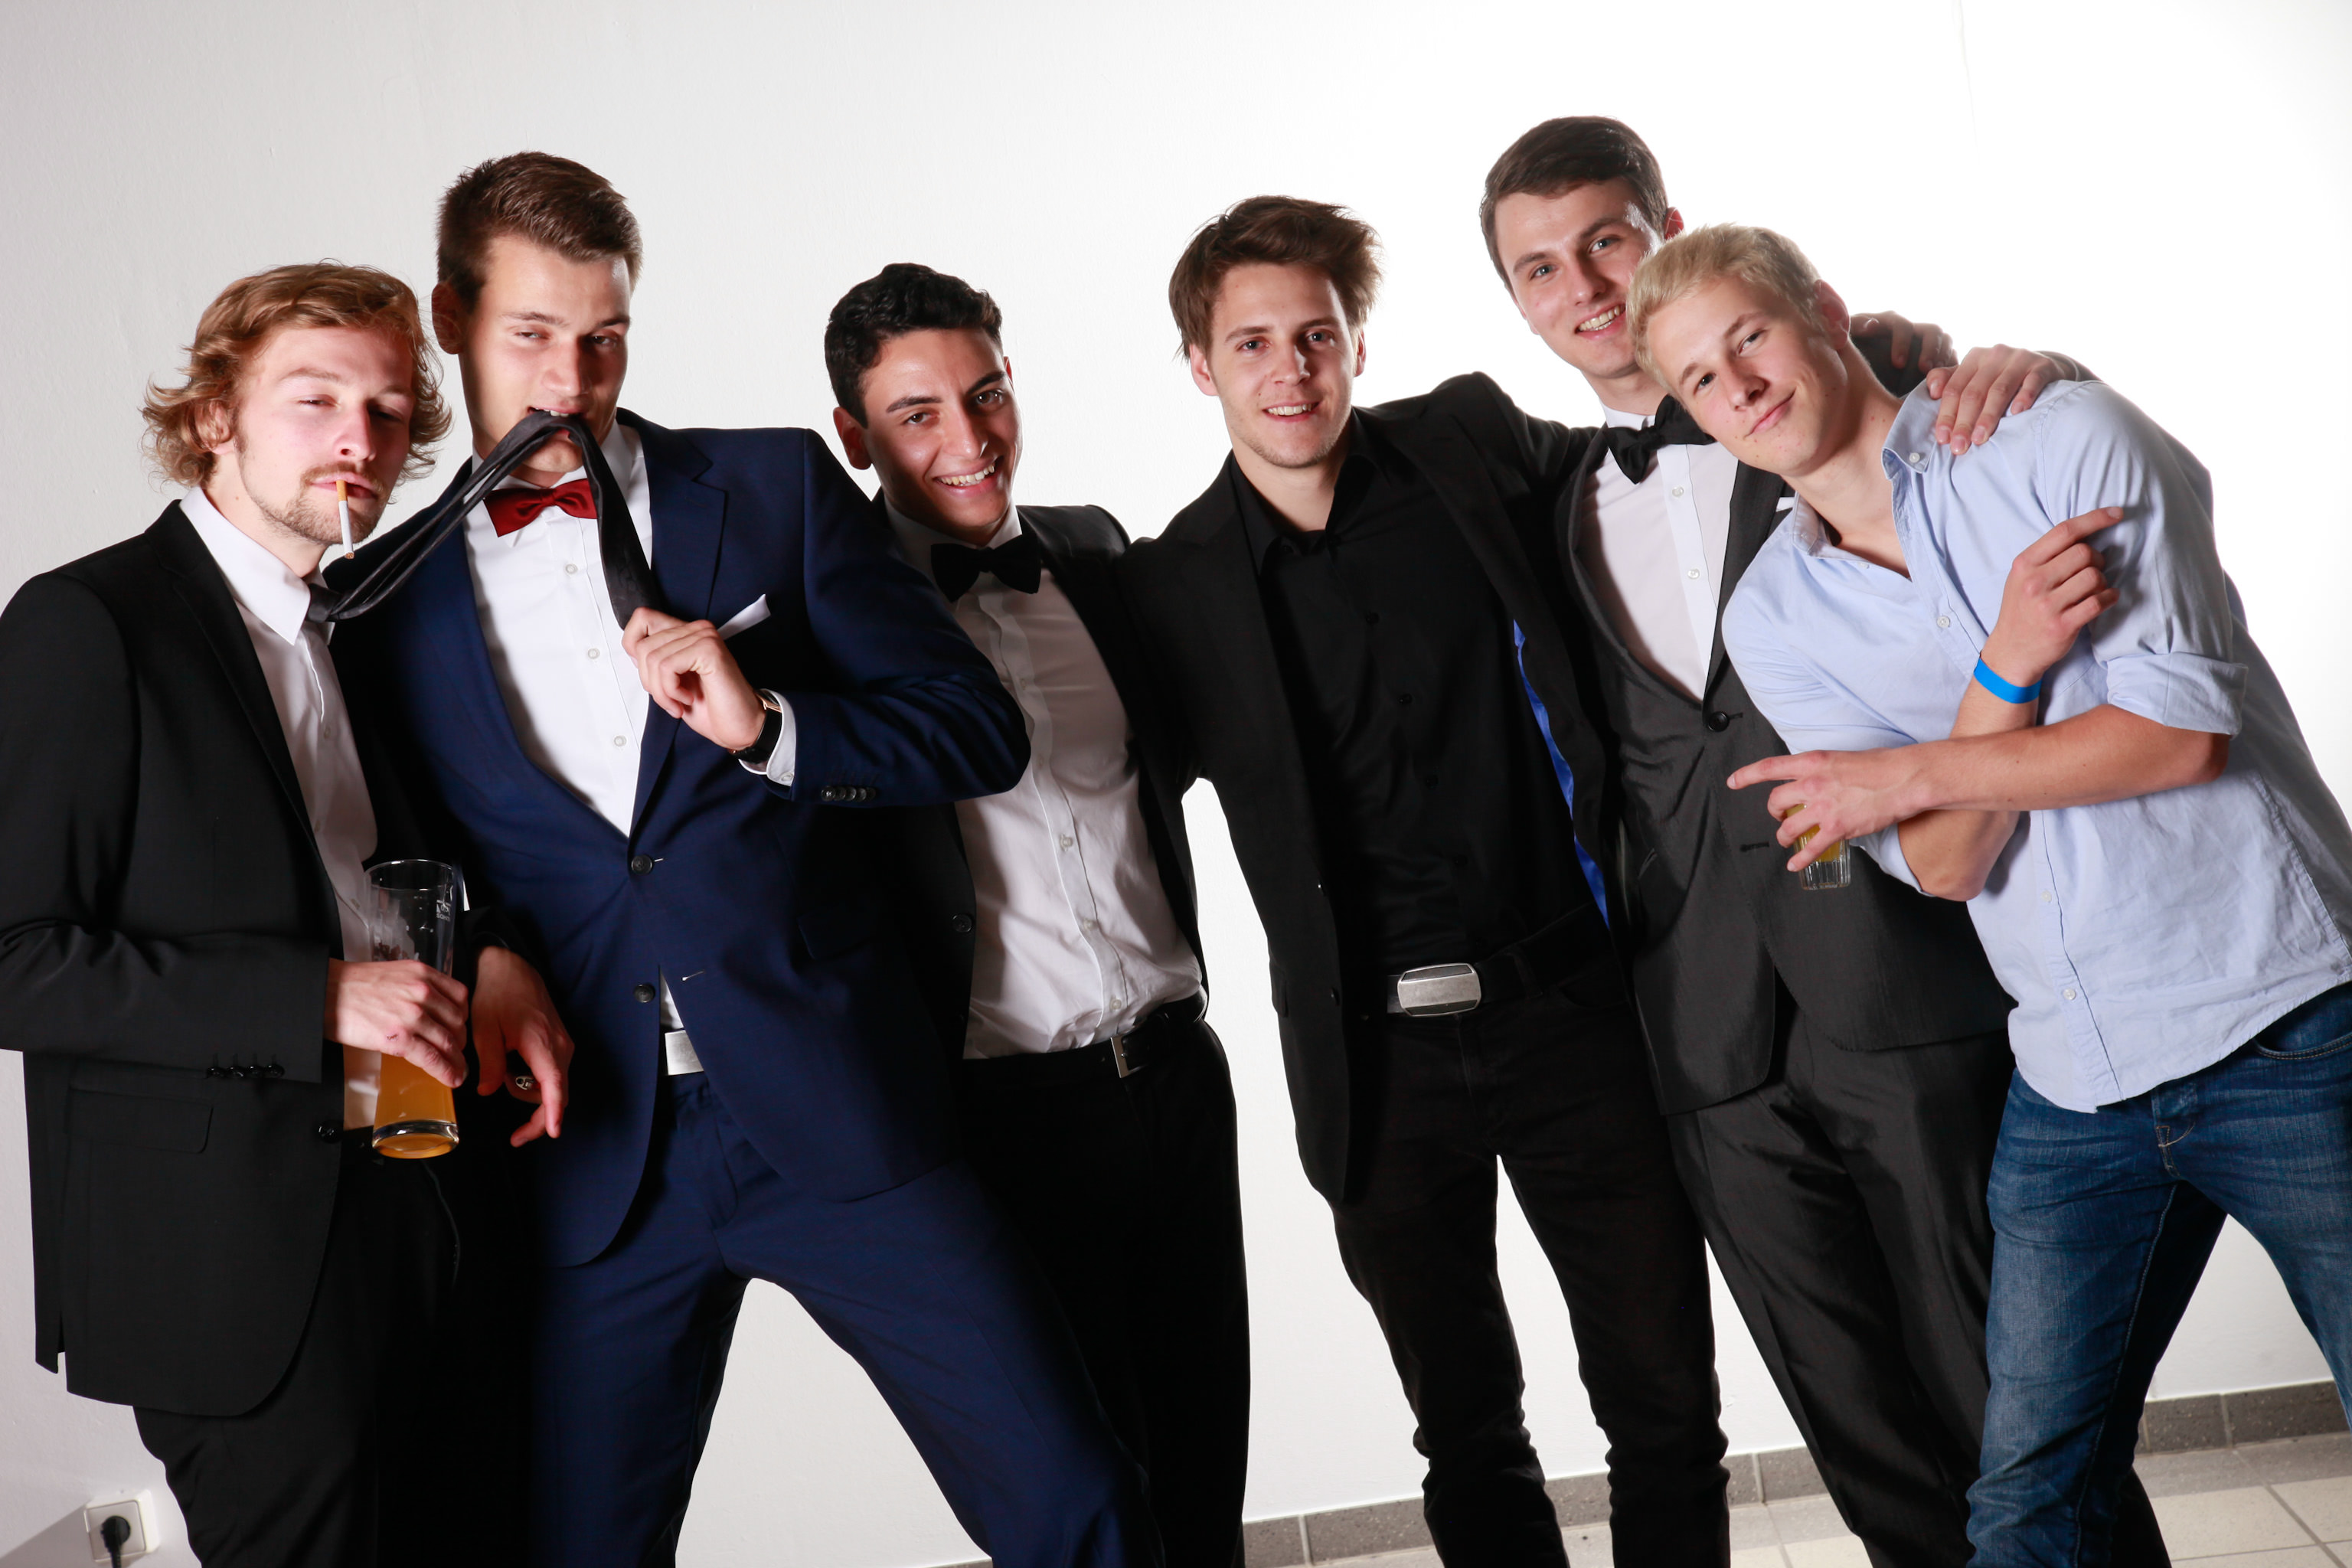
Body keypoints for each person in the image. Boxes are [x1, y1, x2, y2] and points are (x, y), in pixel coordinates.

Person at [330, 155, 1156, 1568]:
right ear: (451, 319)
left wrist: (771, 725)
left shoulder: (769, 485)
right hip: (587, 1154)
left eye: (605, 339)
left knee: (1072, 1498)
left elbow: (975, 728)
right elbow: (404, 855)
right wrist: (492, 949)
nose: (572, 383)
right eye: (532, 336)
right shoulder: (378, 602)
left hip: (842, 1101)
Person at [1476, 116, 2170, 1568]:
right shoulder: (1533, 497)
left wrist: (2029, 361)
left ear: (1667, 229)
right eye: (1539, 268)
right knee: (1860, 1432)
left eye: (1607, 239)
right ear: (1517, 303)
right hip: (1705, 1031)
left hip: (1902, 971)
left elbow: (2030, 446)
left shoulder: (1836, 383)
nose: (1583, 285)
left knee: (2025, 1420)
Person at [1634, 220, 2352, 1566]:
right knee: (2026, 1503)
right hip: (2078, 1072)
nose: (1738, 386)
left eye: (1750, 337)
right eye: (1698, 379)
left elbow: (2175, 739)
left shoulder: (2058, 437)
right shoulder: (1773, 615)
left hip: (2287, 1024)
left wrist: (1904, 772)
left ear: (1825, 309)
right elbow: (1950, 865)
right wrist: (2012, 668)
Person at [1121, 195, 1729, 1566]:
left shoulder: (1466, 441)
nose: (1292, 371)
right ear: (1201, 366)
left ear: (1356, 343)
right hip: (1377, 1066)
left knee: (1666, 1405)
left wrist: (1875, 349)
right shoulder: (1169, 588)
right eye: (1254, 343)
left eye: (1317, 336)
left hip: (1576, 1017)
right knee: (1465, 1432)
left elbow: (1661, 447)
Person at [0, 263, 573, 1566]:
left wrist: (492, 955)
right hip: (232, 1263)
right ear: (215, 417)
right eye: (315, 401)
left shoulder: (360, 625)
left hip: (429, 1197)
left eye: (386, 410)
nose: (359, 441)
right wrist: (315, 997)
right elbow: (16, 959)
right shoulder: (88, 624)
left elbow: (401, 864)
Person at [826, 262, 1248, 1568]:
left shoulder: (1098, 554)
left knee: (1203, 1481)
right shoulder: (825, 619)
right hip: (1002, 1120)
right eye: (917, 414)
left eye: (987, 393)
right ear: (854, 438)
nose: (969, 436)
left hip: (1177, 1082)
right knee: (1086, 1503)